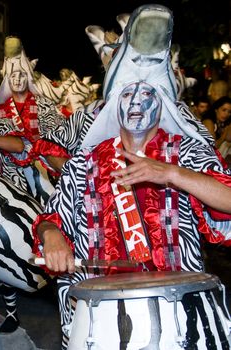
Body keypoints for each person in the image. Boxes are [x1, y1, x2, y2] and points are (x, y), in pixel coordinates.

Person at [32, 5, 231, 348]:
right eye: (127, 93)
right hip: (99, 313)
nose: (137, 102)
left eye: (147, 93)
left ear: (163, 102)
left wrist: (169, 172)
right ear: (114, 104)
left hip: (175, 309)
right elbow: (51, 220)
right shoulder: (87, 161)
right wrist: (52, 237)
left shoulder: (183, 152)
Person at [0, 36, 69, 207]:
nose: (17, 79)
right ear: (7, 78)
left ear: (28, 77)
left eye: (21, 74)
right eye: (12, 75)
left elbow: (57, 139)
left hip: (48, 177)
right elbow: (13, 145)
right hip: (14, 181)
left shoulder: (45, 104)